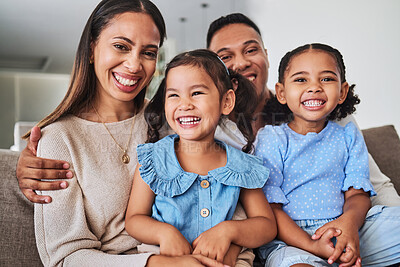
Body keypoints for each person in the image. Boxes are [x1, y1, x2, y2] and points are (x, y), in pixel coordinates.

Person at [27, 0, 228, 266]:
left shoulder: (174, 122)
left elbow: (225, 194)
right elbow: (65, 258)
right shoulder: (58, 139)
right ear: (91, 49)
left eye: (148, 52)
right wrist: (156, 264)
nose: (134, 65)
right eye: (121, 46)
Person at [206, 13, 400, 207]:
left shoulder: (320, 106)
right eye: (225, 56)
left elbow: (376, 186)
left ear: (266, 55)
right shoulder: (205, 128)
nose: (241, 63)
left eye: (250, 50)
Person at [124, 49, 277, 266]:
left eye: (196, 93)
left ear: (226, 102)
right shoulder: (154, 158)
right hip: (167, 260)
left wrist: (228, 231)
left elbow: (266, 226)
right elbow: (134, 219)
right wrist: (164, 233)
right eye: (174, 95)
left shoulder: (241, 165)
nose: (184, 104)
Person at [255, 43, 400, 267]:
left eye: (326, 79)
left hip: (351, 229)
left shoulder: (348, 135)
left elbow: (357, 194)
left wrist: (348, 226)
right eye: (301, 79)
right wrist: (312, 245)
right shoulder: (272, 138)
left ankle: (346, 254)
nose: (314, 87)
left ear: (342, 92)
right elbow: (271, 208)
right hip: (293, 241)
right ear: (282, 93)